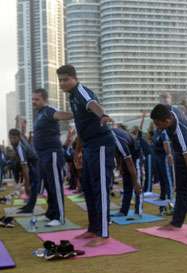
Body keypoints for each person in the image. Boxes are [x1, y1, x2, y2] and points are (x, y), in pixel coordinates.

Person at [57, 64, 115, 247]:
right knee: (88, 188)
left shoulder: (81, 91)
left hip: (102, 144)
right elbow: (82, 127)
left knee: (101, 188)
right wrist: (78, 150)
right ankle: (93, 228)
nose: (62, 83)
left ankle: (104, 234)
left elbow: (92, 104)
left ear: (74, 78)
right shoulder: (72, 97)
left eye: (65, 79)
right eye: (60, 80)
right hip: (89, 146)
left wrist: (103, 114)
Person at [149, 102, 187, 238]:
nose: (157, 128)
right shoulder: (167, 111)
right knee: (181, 188)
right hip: (180, 151)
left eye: (158, 124)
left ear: (168, 120)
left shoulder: (180, 131)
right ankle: (176, 223)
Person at [31, 88, 74, 226]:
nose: (34, 102)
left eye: (36, 99)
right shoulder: (39, 114)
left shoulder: (49, 110)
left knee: (55, 185)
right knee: (49, 186)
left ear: (44, 99)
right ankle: (51, 214)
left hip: (53, 153)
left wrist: (77, 113)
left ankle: (59, 217)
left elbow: (61, 115)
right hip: (42, 155)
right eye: (33, 99)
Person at [111, 127, 143, 217]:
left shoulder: (118, 139)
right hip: (126, 156)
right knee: (127, 185)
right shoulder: (109, 137)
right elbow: (118, 153)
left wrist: (136, 182)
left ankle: (138, 211)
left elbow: (130, 163)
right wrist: (120, 166)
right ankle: (123, 211)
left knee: (137, 184)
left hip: (135, 156)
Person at [8, 129, 39, 213]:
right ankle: (29, 205)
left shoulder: (20, 148)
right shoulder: (18, 140)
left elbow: (25, 169)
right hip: (31, 162)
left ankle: (30, 207)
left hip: (34, 163)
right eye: (10, 138)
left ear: (18, 138)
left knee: (33, 185)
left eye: (14, 138)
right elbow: (19, 131)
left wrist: (26, 185)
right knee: (32, 184)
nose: (11, 140)